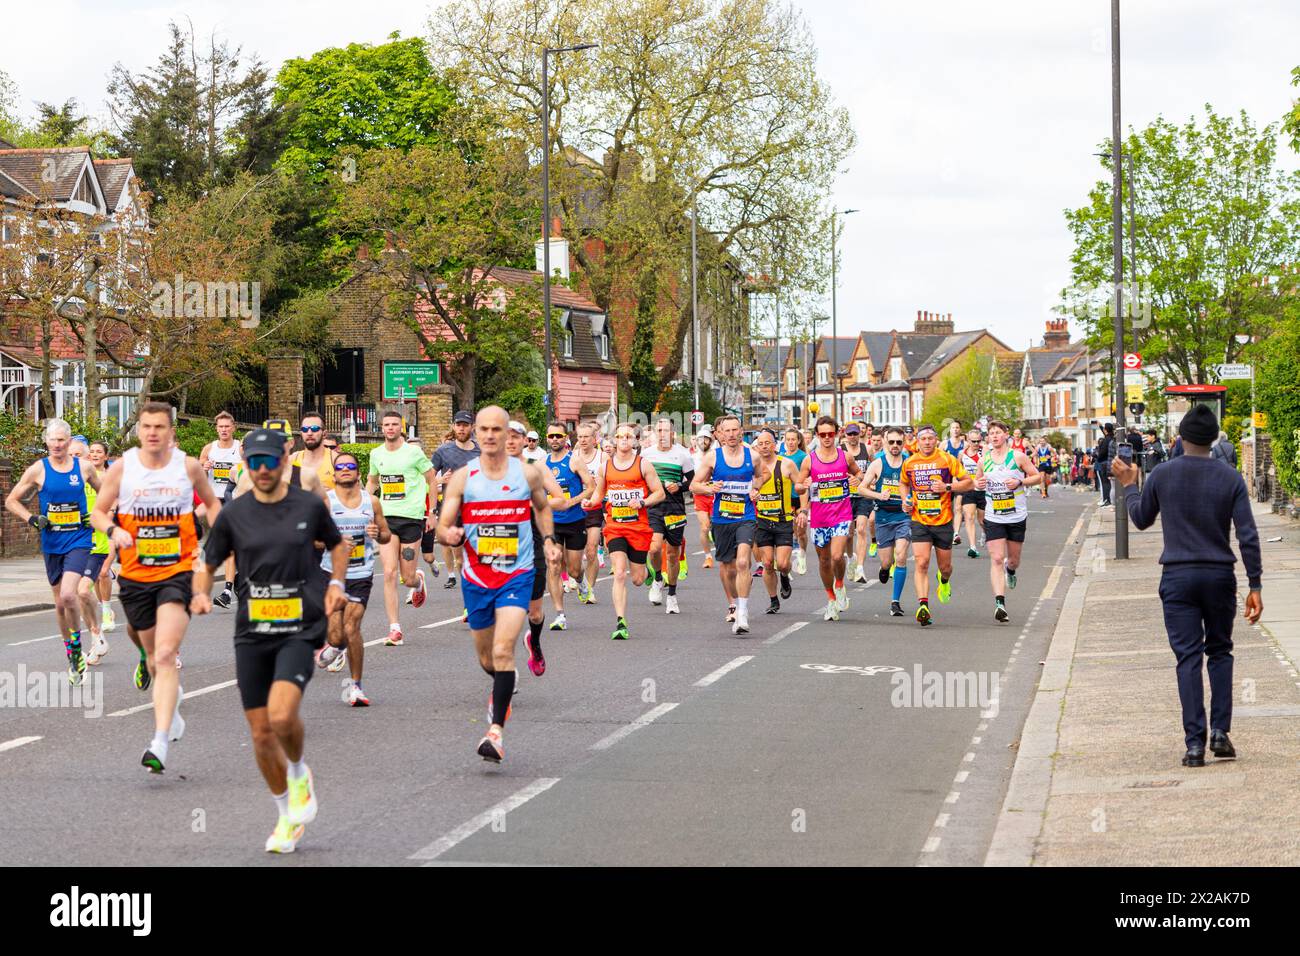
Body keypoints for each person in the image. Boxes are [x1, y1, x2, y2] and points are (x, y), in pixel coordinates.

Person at [192, 427, 349, 852]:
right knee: (261, 734)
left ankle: (298, 770)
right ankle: (285, 815)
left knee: (281, 717)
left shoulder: (308, 504)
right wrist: (202, 592)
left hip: (300, 623)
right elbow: (209, 560)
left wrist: (335, 583)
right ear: (246, 465)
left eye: (269, 462)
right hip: (252, 628)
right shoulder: (234, 513)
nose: (262, 470)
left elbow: (339, 545)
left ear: (284, 461)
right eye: (254, 463)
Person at [1110, 404, 1263, 768]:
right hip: (1218, 576)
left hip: (1177, 576)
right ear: (1214, 440)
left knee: (1188, 658)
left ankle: (1195, 745)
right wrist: (1254, 583)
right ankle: (1221, 733)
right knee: (1221, 651)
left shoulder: (1163, 474)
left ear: (1179, 438)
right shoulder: (1230, 478)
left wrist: (1131, 487)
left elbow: (1141, 519)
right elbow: (1247, 535)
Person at [92, 403, 222, 772]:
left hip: (177, 573)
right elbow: (98, 513)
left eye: (159, 427)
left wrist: (220, 544)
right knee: (148, 651)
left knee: (165, 656)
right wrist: (114, 530)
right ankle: (172, 704)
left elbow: (212, 505)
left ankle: (160, 742)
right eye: (146, 426)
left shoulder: (187, 466)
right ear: (138, 431)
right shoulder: (123, 467)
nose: (152, 432)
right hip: (134, 576)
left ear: (170, 431)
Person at [436, 407, 562, 761]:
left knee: (504, 651)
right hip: (477, 577)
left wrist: (549, 540)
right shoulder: (464, 478)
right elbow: (444, 525)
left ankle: (495, 733)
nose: (490, 436)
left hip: (517, 573)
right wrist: (452, 534)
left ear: (508, 435)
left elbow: (541, 508)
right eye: (484, 430)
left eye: (497, 430)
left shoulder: (527, 474)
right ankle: (503, 678)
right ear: (476, 434)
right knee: (488, 659)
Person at [5, 419, 103, 684]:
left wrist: (95, 514)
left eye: (62, 440)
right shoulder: (38, 470)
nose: (58, 444)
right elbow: (11, 500)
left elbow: (105, 493)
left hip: (79, 539)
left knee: (70, 594)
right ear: (46, 442)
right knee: (60, 604)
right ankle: (72, 652)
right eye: (53, 440)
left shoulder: (83, 467)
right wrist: (32, 519)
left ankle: (78, 641)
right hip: (52, 543)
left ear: (69, 442)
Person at [316, 451, 392, 706]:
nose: (346, 469)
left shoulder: (372, 503)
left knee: (352, 628)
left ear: (358, 473)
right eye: (341, 467)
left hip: (361, 574)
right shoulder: (325, 503)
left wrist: (377, 532)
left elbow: (386, 536)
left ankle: (356, 687)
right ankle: (333, 647)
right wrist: (333, 542)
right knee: (337, 636)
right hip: (330, 574)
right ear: (335, 474)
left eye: (351, 466)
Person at [587, 423, 666, 639]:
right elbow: (598, 494)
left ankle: (648, 569)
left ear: (635, 441)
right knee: (620, 573)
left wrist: (642, 502)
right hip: (615, 527)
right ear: (613, 440)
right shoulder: (606, 467)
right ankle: (620, 622)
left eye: (628, 436)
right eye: (620, 436)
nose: (624, 440)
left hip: (639, 528)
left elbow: (659, 493)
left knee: (637, 579)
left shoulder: (644, 465)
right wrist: (589, 502)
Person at [691, 415, 767, 634]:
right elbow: (695, 485)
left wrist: (756, 488)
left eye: (736, 430)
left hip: (746, 515)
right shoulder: (712, 459)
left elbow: (762, 476)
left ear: (741, 432)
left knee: (743, 562)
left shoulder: (752, 456)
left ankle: (742, 613)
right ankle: (733, 602)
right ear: (720, 434)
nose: (732, 434)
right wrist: (710, 489)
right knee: (727, 566)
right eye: (728, 431)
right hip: (722, 518)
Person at [366, 410, 438, 644]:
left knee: (406, 578)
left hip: (411, 518)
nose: (390, 428)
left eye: (394, 424)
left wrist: (432, 512)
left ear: (401, 427)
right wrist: (364, 508)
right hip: (386, 518)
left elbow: (432, 479)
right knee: (388, 573)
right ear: (382, 428)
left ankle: (418, 582)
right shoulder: (376, 454)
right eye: (386, 424)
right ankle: (394, 628)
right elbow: (372, 482)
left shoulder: (413, 452)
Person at [899, 423, 972, 626]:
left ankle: (944, 580)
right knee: (921, 562)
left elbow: (968, 482)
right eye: (923, 438)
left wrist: (947, 486)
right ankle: (923, 605)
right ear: (918, 440)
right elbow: (904, 483)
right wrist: (906, 500)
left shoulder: (947, 459)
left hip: (943, 521)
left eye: (931, 438)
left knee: (945, 567)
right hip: (919, 520)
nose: (927, 442)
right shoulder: (910, 462)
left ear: (936, 440)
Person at [975, 421, 1041, 622]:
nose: (994, 436)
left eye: (997, 433)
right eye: (991, 433)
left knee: (1013, 559)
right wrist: (979, 484)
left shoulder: (1017, 457)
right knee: (996, 558)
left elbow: (1037, 477)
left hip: (1016, 515)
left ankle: (1010, 570)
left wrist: (1020, 482)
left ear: (1006, 435)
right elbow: (977, 483)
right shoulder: (983, 460)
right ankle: (1000, 603)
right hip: (993, 516)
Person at [797, 415, 861, 622]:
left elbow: (861, 475)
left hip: (842, 514)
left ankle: (840, 584)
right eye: (822, 434)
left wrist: (855, 478)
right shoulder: (810, 459)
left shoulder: (845, 456)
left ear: (837, 433)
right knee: (824, 560)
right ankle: (831, 599)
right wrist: (803, 486)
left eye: (830, 434)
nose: (826, 438)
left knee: (836, 556)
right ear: (817, 435)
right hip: (819, 517)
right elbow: (798, 486)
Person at [542, 420, 594, 629]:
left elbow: (591, 487)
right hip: (550, 523)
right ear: (547, 439)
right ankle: (560, 615)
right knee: (553, 565)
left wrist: (570, 502)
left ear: (565, 439)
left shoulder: (574, 461)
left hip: (574, 520)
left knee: (573, 570)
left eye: (559, 436)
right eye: (551, 436)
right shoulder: (541, 463)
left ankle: (581, 581)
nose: (555, 439)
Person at [642, 417, 695, 615]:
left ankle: (672, 595)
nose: (662, 434)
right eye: (659, 430)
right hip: (654, 507)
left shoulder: (682, 454)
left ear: (673, 433)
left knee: (673, 554)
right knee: (654, 548)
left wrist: (679, 486)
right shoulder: (646, 454)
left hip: (675, 509)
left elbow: (693, 481)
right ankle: (657, 578)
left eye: (666, 430)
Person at [859, 426, 912, 616]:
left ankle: (895, 601)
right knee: (887, 561)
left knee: (901, 556)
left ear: (903, 442)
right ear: (884, 441)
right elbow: (861, 489)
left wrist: (912, 501)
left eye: (899, 442)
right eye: (892, 442)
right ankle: (884, 568)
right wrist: (878, 495)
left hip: (904, 516)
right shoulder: (878, 464)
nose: (895, 445)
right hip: (883, 517)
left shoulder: (909, 462)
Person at [68, 439, 111, 665]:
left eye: (79, 455)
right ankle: (97, 639)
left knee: (84, 591)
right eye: (71, 455)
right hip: (73, 545)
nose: (75, 459)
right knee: (77, 595)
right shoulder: (67, 481)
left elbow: (113, 506)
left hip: (96, 544)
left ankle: (98, 630)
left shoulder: (99, 480)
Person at [428, 410, 480, 591]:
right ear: (453, 427)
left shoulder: (481, 451)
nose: (461, 428)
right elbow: (427, 480)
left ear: (472, 427)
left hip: (477, 510)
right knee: (460, 558)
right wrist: (441, 481)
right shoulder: (443, 451)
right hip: (454, 511)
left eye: (465, 425)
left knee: (480, 557)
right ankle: (469, 595)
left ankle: (481, 590)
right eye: (458, 425)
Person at [199, 411, 242, 609]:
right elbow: (197, 477)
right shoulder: (209, 448)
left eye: (227, 426)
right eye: (220, 427)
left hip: (234, 500)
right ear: (216, 429)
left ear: (233, 427)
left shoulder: (240, 448)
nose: (224, 430)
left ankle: (226, 591)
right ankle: (235, 583)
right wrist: (204, 467)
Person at [752, 428, 797, 614]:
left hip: (783, 520)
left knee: (783, 563)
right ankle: (773, 600)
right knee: (768, 563)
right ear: (757, 447)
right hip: (762, 520)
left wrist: (802, 509)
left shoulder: (786, 464)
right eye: (760, 444)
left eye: (767, 443)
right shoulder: (752, 467)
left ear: (775, 445)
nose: (764, 447)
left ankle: (785, 576)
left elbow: (800, 484)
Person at [572, 422, 607, 602]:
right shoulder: (573, 457)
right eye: (580, 437)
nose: (583, 440)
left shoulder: (603, 457)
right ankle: (579, 580)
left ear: (595, 439)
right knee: (573, 558)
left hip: (594, 508)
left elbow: (609, 482)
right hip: (575, 507)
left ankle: (590, 591)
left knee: (592, 550)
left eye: (586, 436)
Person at [842, 422, 874, 583]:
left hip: (862, 495)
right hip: (845, 496)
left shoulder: (867, 449)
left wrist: (863, 479)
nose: (853, 437)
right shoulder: (840, 450)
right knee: (848, 534)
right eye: (850, 434)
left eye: (855, 434)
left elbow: (873, 469)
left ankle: (860, 568)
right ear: (845, 435)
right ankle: (850, 558)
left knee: (861, 529)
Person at [781, 426, 810, 574]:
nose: (791, 442)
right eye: (788, 440)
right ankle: (790, 556)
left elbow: (810, 475)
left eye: (793, 439)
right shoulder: (781, 456)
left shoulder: (803, 456)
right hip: (786, 498)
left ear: (799, 441)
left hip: (801, 496)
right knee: (790, 529)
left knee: (801, 530)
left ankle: (802, 555)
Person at [956, 428, 985, 558]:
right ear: (968, 440)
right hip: (968, 489)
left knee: (982, 520)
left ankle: (985, 532)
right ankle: (973, 547)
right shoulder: (962, 454)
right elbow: (957, 471)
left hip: (983, 490)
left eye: (978, 441)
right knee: (969, 516)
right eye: (973, 441)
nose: (976, 443)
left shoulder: (984, 451)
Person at [691, 426, 716, 569]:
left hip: (714, 494)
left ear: (710, 441)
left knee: (717, 526)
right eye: (700, 439)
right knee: (704, 526)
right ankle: (708, 557)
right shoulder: (693, 458)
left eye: (706, 439)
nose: (703, 442)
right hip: (700, 495)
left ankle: (716, 537)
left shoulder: (715, 456)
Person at [1095, 423, 1115, 506]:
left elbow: (1102, 452)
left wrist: (1098, 457)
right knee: (1110, 483)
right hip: (1110, 462)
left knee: (1105, 483)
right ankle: (1108, 500)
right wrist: (1100, 426)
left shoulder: (1106, 440)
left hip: (1104, 462)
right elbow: (1106, 433)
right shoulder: (1111, 438)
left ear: (1106, 430)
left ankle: (1107, 499)